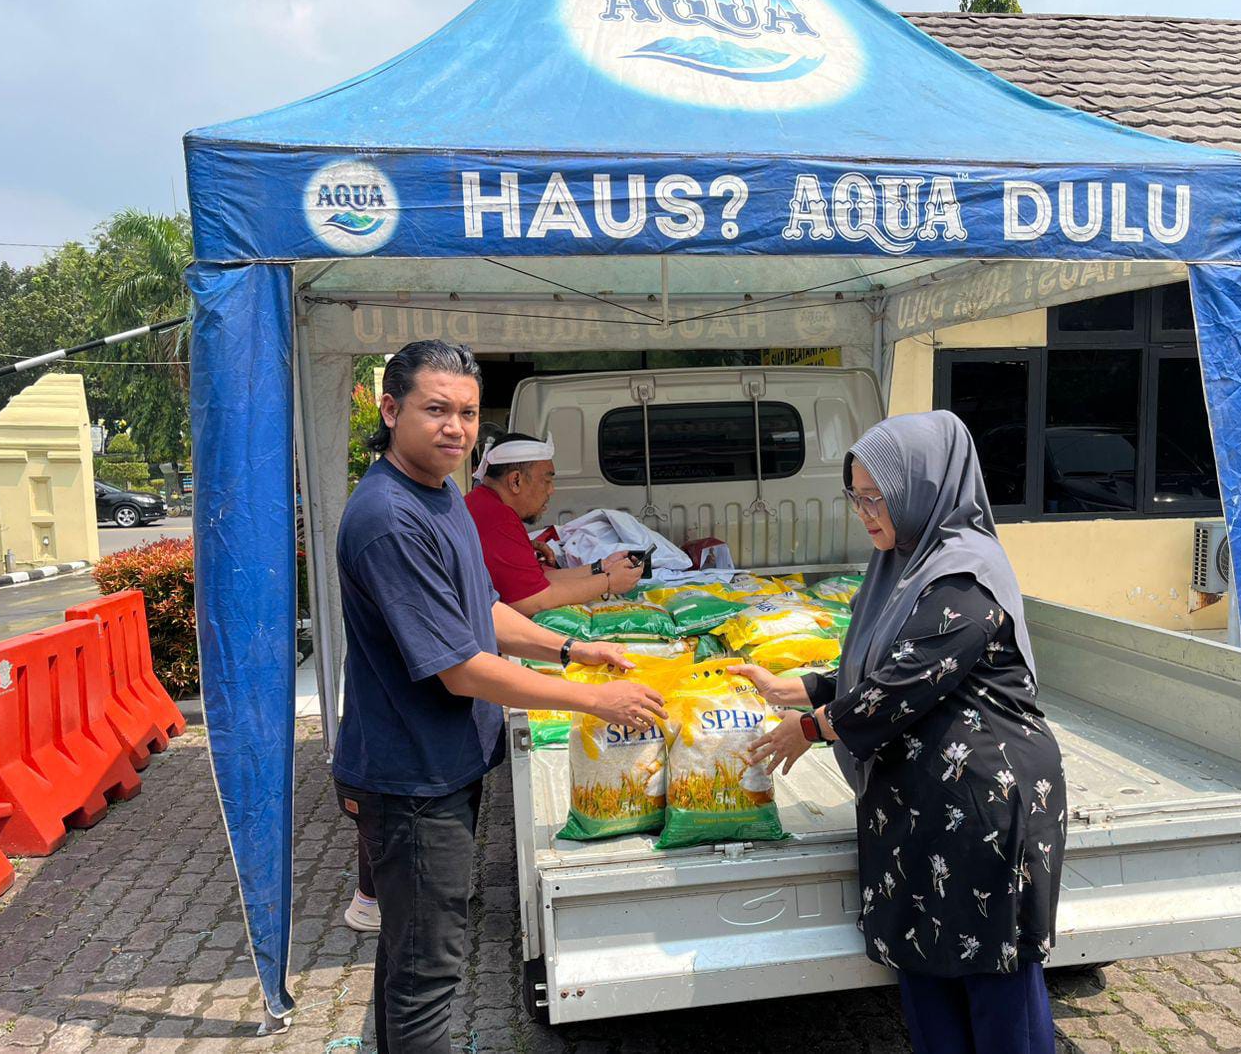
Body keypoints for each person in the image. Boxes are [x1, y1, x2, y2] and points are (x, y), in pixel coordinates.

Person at [332, 339, 667, 1054]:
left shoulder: (439, 494)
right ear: (390, 410)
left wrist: (572, 649)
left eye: (467, 413)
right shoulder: (388, 517)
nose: (455, 428)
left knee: (410, 953)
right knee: (429, 973)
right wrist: (591, 699)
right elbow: (461, 668)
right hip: (410, 780)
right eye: (436, 410)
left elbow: (480, 609)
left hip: (438, 766)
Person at [738, 411, 1066, 1054]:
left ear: (922, 489)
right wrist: (803, 688)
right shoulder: (905, 565)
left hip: (982, 807)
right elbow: (881, 663)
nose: (864, 512)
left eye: (876, 497)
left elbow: (910, 679)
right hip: (920, 809)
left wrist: (812, 726)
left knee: (991, 975)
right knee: (923, 966)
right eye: (856, 496)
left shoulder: (964, 574)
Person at [464, 432, 644, 613]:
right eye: (547, 480)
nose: (551, 490)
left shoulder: (483, 504)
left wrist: (602, 567)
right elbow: (533, 599)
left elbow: (539, 582)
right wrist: (608, 582)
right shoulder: (499, 519)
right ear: (515, 481)